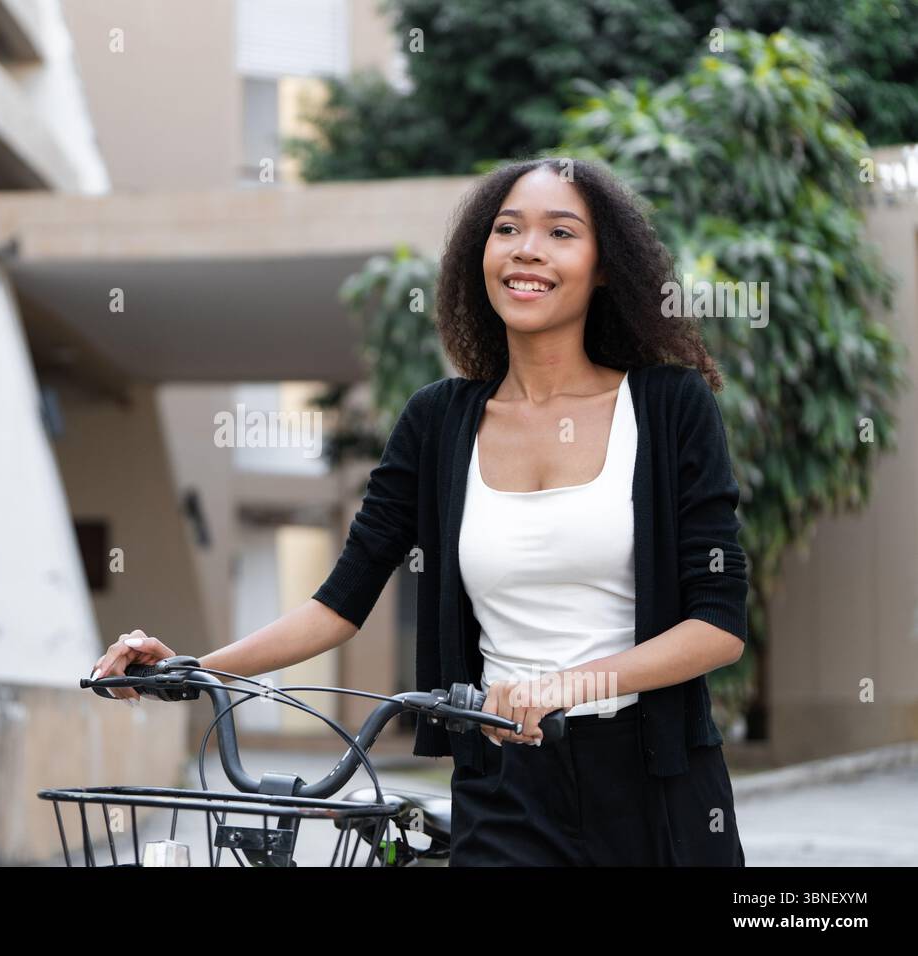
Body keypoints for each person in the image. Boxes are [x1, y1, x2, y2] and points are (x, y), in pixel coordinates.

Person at [90, 156, 749, 866]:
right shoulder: (439, 421)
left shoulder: (669, 407)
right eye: (507, 229)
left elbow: (717, 624)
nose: (528, 249)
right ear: (481, 256)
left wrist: (566, 686)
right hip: (503, 784)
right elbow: (338, 605)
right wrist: (191, 670)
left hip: (658, 788)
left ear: (606, 267)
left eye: (561, 232)